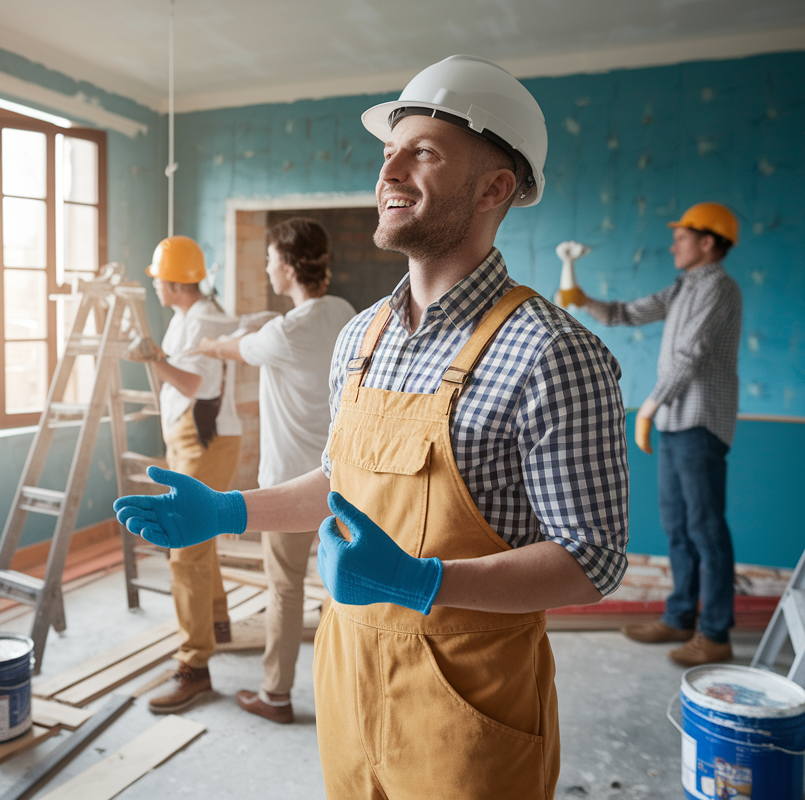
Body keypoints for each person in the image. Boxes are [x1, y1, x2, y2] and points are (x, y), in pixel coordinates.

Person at [116, 55, 629, 798]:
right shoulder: (360, 338)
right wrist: (230, 511)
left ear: (496, 187)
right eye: (389, 149)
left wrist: (424, 582)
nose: (389, 169)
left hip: (467, 714)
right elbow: (340, 484)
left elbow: (594, 559)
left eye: (422, 151)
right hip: (348, 681)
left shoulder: (555, 353)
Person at [192, 217, 357, 724]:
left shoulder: (282, 334)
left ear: (286, 266)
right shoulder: (346, 313)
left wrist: (205, 342)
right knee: (341, 590)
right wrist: (258, 320)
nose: (266, 267)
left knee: (285, 590)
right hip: (341, 481)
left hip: (290, 485)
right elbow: (277, 325)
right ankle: (343, 696)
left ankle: (276, 696)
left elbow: (231, 350)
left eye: (269, 260)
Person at [566, 202, 743, 667]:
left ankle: (715, 633)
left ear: (707, 242)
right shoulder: (685, 286)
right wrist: (583, 300)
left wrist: (649, 405)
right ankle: (681, 617)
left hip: (699, 422)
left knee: (706, 528)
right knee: (678, 526)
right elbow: (628, 313)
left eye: (682, 237)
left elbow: (691, 353)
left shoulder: (719, 288)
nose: (673, 244)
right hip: (674, 422)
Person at [123, 235, 242, 713]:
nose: (156, 288)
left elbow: (195, 383)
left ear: (174, 282)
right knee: (199, 539)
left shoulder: (205, 322)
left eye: (159, 280)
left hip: (204, 441)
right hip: (190, 437)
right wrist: (159, 354)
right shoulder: (187, 318)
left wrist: (154, 358)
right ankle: (216, 623)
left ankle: (194, 666)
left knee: (183, 547)